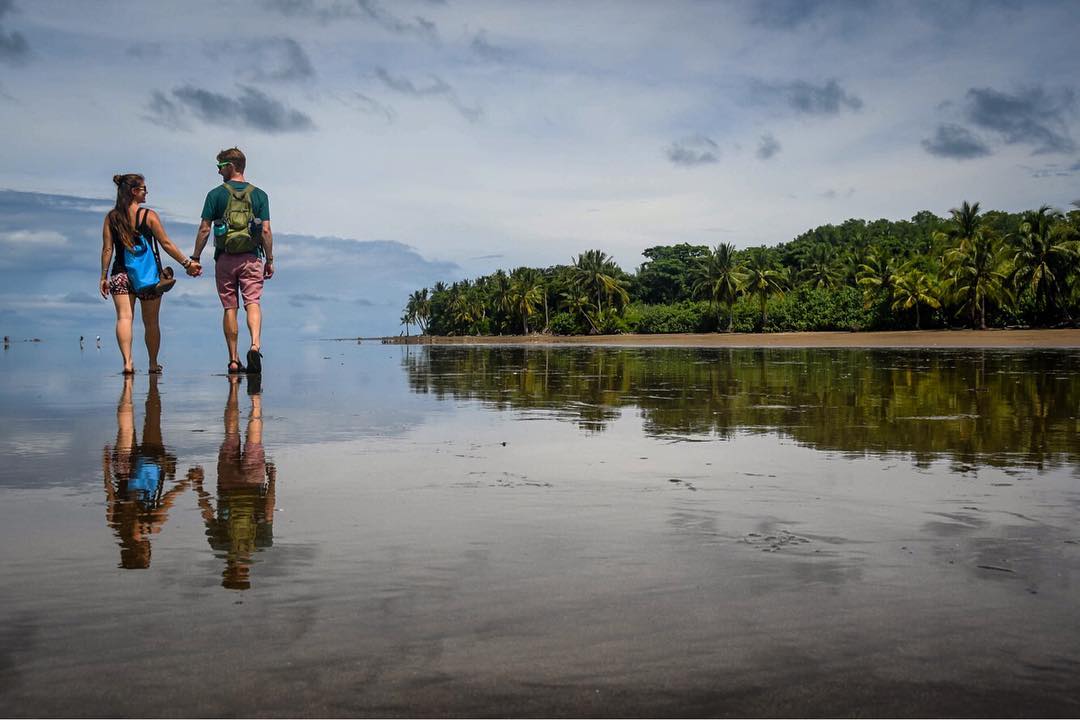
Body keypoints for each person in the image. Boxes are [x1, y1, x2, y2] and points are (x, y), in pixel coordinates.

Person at [99, 173, 199, 374]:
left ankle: (127, 363)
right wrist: (187, 263)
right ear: (134, 192)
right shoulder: (149, 216)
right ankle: (153, 364)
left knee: (124, 318)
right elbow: (166, 244)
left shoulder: (112, 218)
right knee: (151, 322)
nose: (147, 193)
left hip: (120, 274)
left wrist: (104, 276)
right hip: (148, 277)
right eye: (144, 189)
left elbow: (107, 249)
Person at [189, 148, 274, 375]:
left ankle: (234, 360)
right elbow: (265, 231)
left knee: (230, 308)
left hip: (225, 258)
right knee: (253, 302)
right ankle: (255, 346)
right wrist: (270, 260)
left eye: (220, 166)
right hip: (251, 257)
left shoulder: (215, 195)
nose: (218, 172)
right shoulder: (260, 195)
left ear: (232, 166)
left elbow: (205, 228)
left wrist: (195, 257)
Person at [193, 375, 276, 590]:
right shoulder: (220, 546)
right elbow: (208, 513)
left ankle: (255, 401)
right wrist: (199, 486)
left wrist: (272, 479)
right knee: (231, 434)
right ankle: (233, 390)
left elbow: (268, 511)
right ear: (226, 571)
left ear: (244, 572)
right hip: (228, 484)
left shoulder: (261, 545)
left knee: (253, 438)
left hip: (253, 482)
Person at [102, 375, 190, 569]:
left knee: (151, 419)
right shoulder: (116, 522)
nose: (150, 548)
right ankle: (129, 386)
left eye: (147, 551)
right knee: (127, 428)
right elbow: (109, 490)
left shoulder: (150, 525)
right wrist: (106, 466)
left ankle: (135, 384)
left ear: (141, 548)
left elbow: (169, 498)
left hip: (149, 464)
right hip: (125, 470)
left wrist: (188, 481)